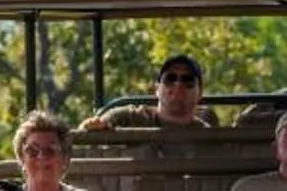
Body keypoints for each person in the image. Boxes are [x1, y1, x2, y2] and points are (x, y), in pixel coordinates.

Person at [80, 53, 216, 132]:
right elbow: (82, 140)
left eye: (188, 80)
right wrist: (90, 126)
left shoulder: (208, 136)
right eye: (170, 79)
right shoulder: (125, 119)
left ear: (200, 92)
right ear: (157, 89)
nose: (178, 84)